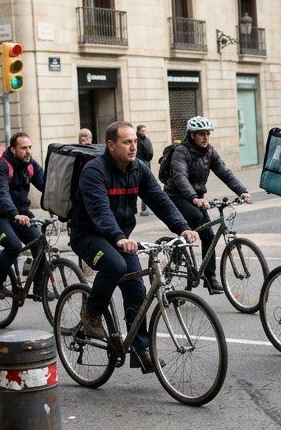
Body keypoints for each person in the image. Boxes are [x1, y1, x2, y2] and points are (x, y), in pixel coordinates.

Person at [69, 122, 197, 372]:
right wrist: (119, 237)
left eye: (135, 142)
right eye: (127, 142)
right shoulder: (94, 171)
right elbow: (100, 211)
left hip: (120, 238)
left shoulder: (138, 168)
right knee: (115, 265)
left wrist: (182, 227)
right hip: (88, 235)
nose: (133, 147)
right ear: (111, 145)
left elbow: (160, 200)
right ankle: (92, 313)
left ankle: (140, 349)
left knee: (137, 289)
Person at [162, 116, 251, 292]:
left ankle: (210, 278)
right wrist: (194, 197)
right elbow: (180, 177)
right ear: (192, 135)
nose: (205, 137)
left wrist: (242, 190)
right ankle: (176, 253)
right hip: (175, 196)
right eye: (201, 134)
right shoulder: (181, 151)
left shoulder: (209, 151)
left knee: (209, 236)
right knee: (195, 217)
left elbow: (224, 172)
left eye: (207, 134)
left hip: (196, 198)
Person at [0, 133, 47, 300]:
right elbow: (2, 194)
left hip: (20, 213)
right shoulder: (1, 167)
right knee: (14, 246)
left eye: (30, 147)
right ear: (13, 149)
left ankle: (40, 288)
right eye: (23, 148)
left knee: (40, 243)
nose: (28, 151)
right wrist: (15, 214)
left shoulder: (31, 165)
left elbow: (46, 186)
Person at [136, 125, 154, 215]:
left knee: (143, 187)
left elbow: (150, 154)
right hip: (137, 166)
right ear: (138, 131)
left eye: (144, 131)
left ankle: (144, 209)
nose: (143, 133)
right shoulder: (136, 141)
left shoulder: (146, 140)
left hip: (144, 166)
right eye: (142, 131)